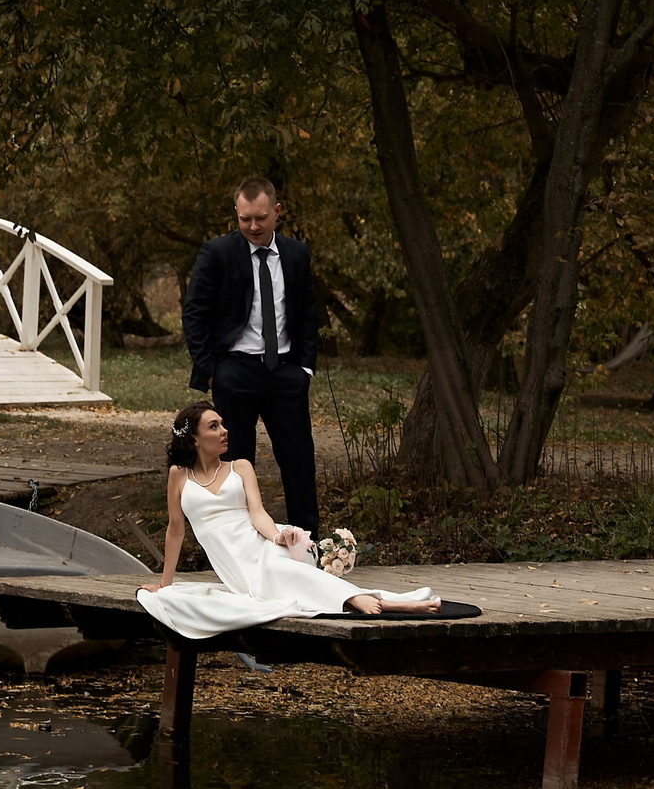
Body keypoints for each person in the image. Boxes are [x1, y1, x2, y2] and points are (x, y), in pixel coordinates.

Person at [138, 403, 439, 636]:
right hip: (235, 562)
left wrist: (277, 537)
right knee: (270, 581)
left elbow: (258, 514)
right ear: (194, 439)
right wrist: (165, 583)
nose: (224, 431)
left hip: (264, 541)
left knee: (274, 566)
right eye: (214, 426)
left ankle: (373, 601)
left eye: (223, 424)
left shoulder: (240, 467)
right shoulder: (179, 475)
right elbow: (175, 529)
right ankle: (366, 600)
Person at [182, 176, 324, 537]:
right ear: (237, 213)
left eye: (260, 218)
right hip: (235, 373)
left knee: (298, 462)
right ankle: (240, 546)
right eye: (245, 219)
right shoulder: (218, 252)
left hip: (287, 372)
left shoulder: (296, 254)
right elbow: (194, 313)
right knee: (234, 465)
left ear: (277, 211)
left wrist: (305, 367)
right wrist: (213, 372)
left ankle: (310, 547)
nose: (253, 226)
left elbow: (308, 313)